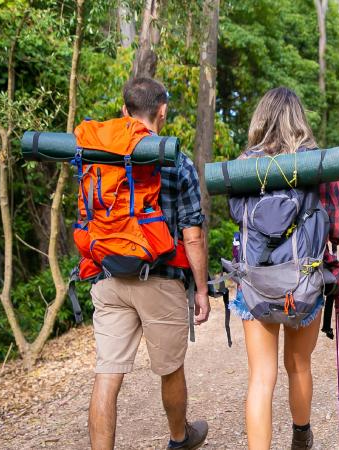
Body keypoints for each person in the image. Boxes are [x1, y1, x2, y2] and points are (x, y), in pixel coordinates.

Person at [87, 77, 211, 450]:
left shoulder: (97, 157)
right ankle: (179, 438)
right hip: (160, 280)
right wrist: (202, 290)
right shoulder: (176, 160)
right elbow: (192, 235)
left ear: (124, 111)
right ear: (163, 111)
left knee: (107, 374)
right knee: (169, 367)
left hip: (109, 278)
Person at [230, 87, 339, 450]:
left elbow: (238, 219)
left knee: (260, 378)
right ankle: (301, 436)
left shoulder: (243, 166)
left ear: (260, 120)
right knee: (298, 364)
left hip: (255, 284)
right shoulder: (319, 164)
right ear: (300, 120)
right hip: (303, 282)